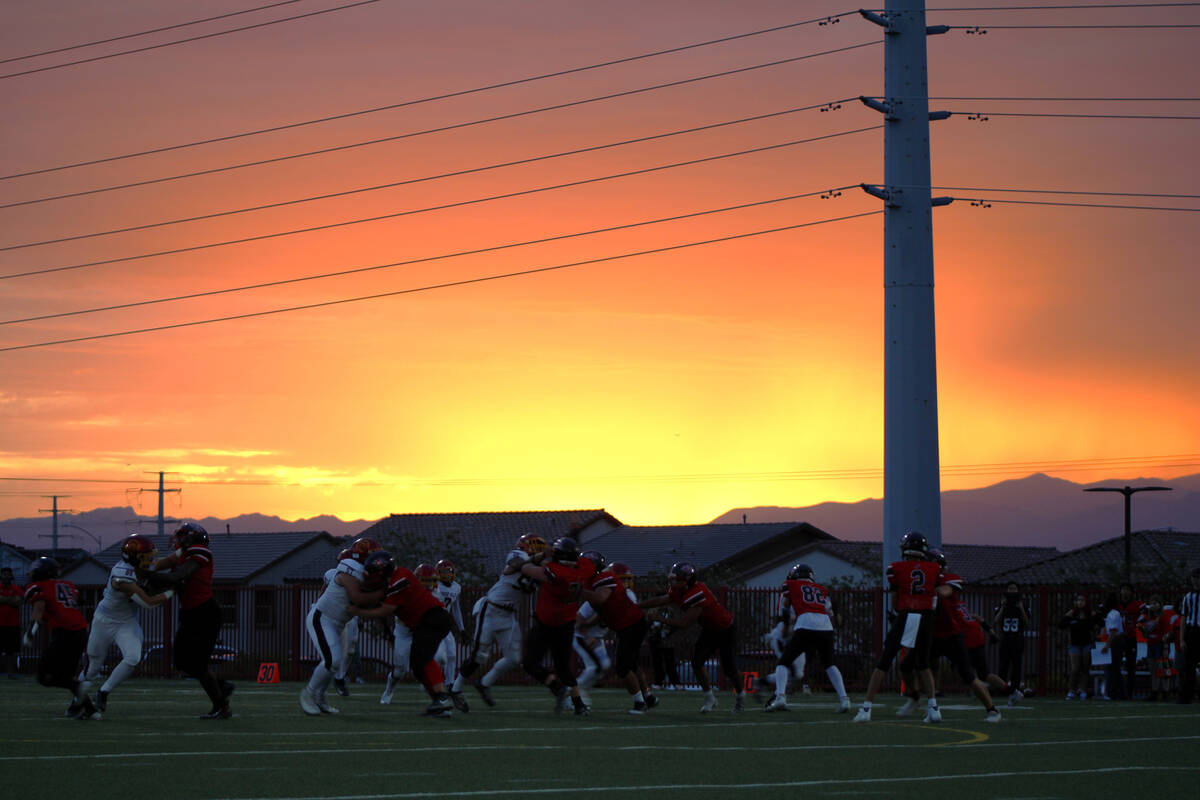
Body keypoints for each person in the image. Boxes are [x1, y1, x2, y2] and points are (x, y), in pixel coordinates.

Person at [896, 550, 1001, 723]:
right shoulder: (922, 581)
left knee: (968, 676)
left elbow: (945, 591)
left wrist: (928, 591)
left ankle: (993, 710)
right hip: (931, 635)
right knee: (906, 665)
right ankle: (915, 698)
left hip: (952, 636)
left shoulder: (947, 579)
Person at [854, 531, 944, 723]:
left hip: (907, 615)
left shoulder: (896, 568)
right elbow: (935, 592)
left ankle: (866, 708)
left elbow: (895, 602)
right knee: (923, 664)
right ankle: (934, 707)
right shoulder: (934, 568)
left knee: (884, 662)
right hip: (927, 617)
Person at [80, 534, 174, 713]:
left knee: (133, 657)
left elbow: (166, 561)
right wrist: (172, 592)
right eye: (146, 557)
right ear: (134, 558)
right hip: (104, 620)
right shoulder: (121, 576)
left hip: (126, 621)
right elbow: (148, 603)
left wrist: (185, 551)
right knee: (93, 666)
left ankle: (103, 693)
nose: (150, 560)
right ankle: (78, 701)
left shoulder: (138, 566)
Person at [149, 522, 234, 719]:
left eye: (181, 536)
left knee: (198, 664)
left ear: (190, 538)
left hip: (204, 613)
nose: (177, 540)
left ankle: (221, 705)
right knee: (181, 660)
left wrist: (148, 576)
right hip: (191, 613)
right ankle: (221, 687)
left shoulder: (199, 552)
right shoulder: (183, 555)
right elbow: (162, 565)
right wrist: (141, 566)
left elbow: (177, 576)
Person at [357, 551, 456, 718]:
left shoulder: (403, 581)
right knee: (403, 669)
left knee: (434, 659)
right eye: (424, 581)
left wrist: (359, 608)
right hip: (406, 629)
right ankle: (437, 701)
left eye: (431, 581)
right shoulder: (398, 582)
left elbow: (386, 607)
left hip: (425, 624)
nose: (427, 585)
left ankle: (441, 697)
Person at [452, 533, 545, 707]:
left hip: (509, 615)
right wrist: (541, 557)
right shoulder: (519, 555)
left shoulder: (541, 568)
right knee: (479, 655)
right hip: (491, 609)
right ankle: (456, 688)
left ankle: (484, 683)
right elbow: (512, 566)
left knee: (514, 658)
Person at [642, 562, 745, 714]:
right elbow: (661, 600)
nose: (673, 582)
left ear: (687, 580)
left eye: (677, 579)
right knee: (697, 663)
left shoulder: (697, 593)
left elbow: (685, 623)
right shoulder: (680, 590)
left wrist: (659, 618)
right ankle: (710, 697)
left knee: (729, 669)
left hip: (725, 629)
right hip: (710, 629)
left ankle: (740, 697)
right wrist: (638, 606)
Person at [300, 538, 383, 715]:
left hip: (337, 622)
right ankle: (308, 694)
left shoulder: (366, 574)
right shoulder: (349, 568)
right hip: (322, 618)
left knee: (335, 663)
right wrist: (382, 594)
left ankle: (321, 697)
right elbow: (358, 598)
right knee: (333, 660)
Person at [519, 536, 598, 715]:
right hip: (567, 622)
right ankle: (579, 705)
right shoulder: (585, 568)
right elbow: (585, 561)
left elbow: (526, 568)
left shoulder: (554, 571)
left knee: (530, 663)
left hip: (547, 623)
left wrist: (540, 555)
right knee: (563, 667)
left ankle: (556, 687)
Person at [763, 563, 851, 714]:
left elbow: (785, 606)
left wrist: (786, 617)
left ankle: (780, 697)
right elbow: (831, 614)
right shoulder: (821, 589)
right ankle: (844, 700)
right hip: (825, 625)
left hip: (806, 623)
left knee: (784, 662)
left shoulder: (790, 584)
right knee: (830, 664)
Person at [22, 557, 101, 720]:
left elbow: (38, 611)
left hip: (64, 632)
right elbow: (79, 601)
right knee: (67, 676)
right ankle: (91, 710)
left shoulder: (38, 587)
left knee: (44, 677)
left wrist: (29, 634)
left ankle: (80, 688)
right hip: (80, 631)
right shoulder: (68, 585)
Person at [580, 560, 658, 714]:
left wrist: (579, 592)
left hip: (631, 627)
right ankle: (648, 697)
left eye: (628, 579)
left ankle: (640, 703)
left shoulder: (609, 585)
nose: (626, 583)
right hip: (628, 627)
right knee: (632, 664)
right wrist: (588, 625)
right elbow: (603, 614)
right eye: (623, 579)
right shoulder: (604, 587)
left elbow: (602, 601)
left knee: (623, 668)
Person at [431, 558, 466, 710]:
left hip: (445, 625)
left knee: (452, 655)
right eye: (443, 572)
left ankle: (449, 684)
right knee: (440, 658)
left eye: (448, 572)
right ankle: (433, 681)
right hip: (432, 625)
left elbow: (456, 609)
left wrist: (462, 628)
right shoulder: (433, 586)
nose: (446, 575)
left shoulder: (456, 587)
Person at [992, 582, 1031, 705]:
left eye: (1015, 589)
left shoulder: (1023, 604)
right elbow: (995, 620)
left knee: (1016, 665)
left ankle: (1015, 689)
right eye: (1010, 589)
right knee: (1003, 664)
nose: (1012, 591)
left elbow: (1026, 623)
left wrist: (1020, 608)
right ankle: (1002, 689)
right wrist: (1003, 607)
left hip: (1017, 637)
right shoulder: (1002, 604)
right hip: (1005, 637)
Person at [1058, 593, 1097, 700]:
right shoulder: (1072, 614)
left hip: (1087, 644)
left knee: (1085, 668)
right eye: (1078, 600)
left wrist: (1094, 616)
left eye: (1082, 600)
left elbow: (1098, 624)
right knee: (1075, 668)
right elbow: (1061, 625)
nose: (1080, 602)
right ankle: (1071, 691)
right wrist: (1067, 616)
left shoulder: (1090, 614)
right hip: (1074, 645)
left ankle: (1083, 690)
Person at [1116, 582, 1146, 699]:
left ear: (1132, 592)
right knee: (1115, 665)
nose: (1125, 592)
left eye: (1127, 590)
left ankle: (1128, 692)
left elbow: (1144, 615)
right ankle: (1117, 690)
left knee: (1130, 666)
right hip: (1118, 638)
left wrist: (1137, 625)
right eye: (1123, 589)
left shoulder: (1138, 605)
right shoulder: (1117, 605)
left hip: (1132, 638)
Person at [1177, 567, 1200, 704]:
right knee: (1189, 666)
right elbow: (1183, 619)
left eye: (1198, 577)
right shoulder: (1188, 597)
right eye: (1194, 577)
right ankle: (1187, 696)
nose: (1196, 581)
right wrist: (1181, 639)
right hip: (1192, 632)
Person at [1099, 592, 1126, 700]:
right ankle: (1119, 693)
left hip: (1115, 642)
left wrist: (1107, 645)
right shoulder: (1114, 613)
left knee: (1112, 668)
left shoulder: (1112, 614)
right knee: (1114, 668)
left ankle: (1113, 692)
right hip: (1116, 641)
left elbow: (1113, 631)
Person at [647, 617, 682, 690]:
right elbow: (648, 624)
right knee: (657, 664)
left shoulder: (669, 611)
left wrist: (667, 631)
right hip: (655, 642)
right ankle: (658, 682)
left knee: (670, 663)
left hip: (668, 643)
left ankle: (676, 683)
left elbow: (675, 624)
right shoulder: (652, 612)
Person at [0, 566, 21, 678]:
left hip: (13, 625)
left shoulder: (16, 588)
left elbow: (18, 602)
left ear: (11, 576)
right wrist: (10, 599)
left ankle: (11, 673)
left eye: (8, 574)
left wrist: (3, 599)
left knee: (11, 651)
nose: (6, 576)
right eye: (4, 574)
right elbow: (14, 600)